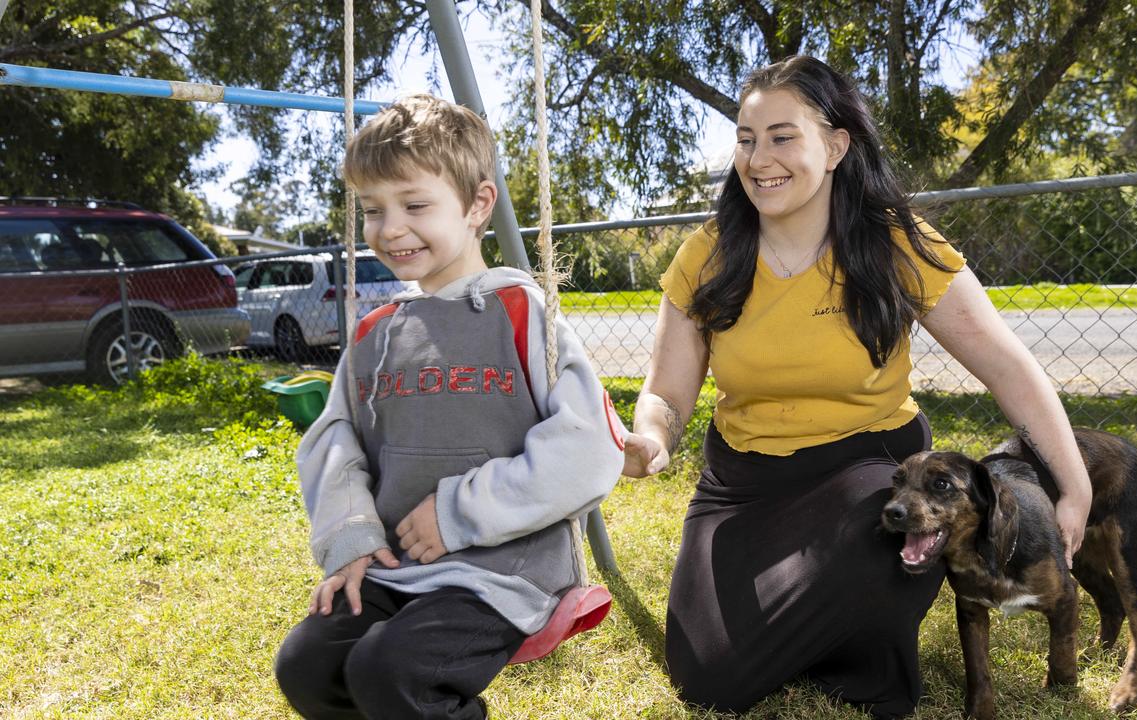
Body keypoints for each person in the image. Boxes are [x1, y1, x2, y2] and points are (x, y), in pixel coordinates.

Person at [622, 56, 1092, 719]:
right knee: (710, 682)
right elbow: (667, 394)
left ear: (836, 145)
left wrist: (1076, 485)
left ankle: (852, 623)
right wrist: (649, 438)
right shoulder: (708, 253)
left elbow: (1005, 362)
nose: (759, 159)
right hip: (743, 484)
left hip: (866, 468)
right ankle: (813, 621)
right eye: (746, 138)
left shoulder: (892, 241)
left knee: (884, 541)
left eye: (782, 136)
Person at [274, 94, 626, 720]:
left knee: (391, 674)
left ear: (477, 205)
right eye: (373, 209)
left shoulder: (521, 316)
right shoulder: (373, 332)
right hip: (398, 568)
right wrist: (351, 537)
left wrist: (460, 512)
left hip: (503, 570)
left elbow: (590, 445)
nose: (390, 228)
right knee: (308, 666)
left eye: (414, 204)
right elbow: (334, 441)